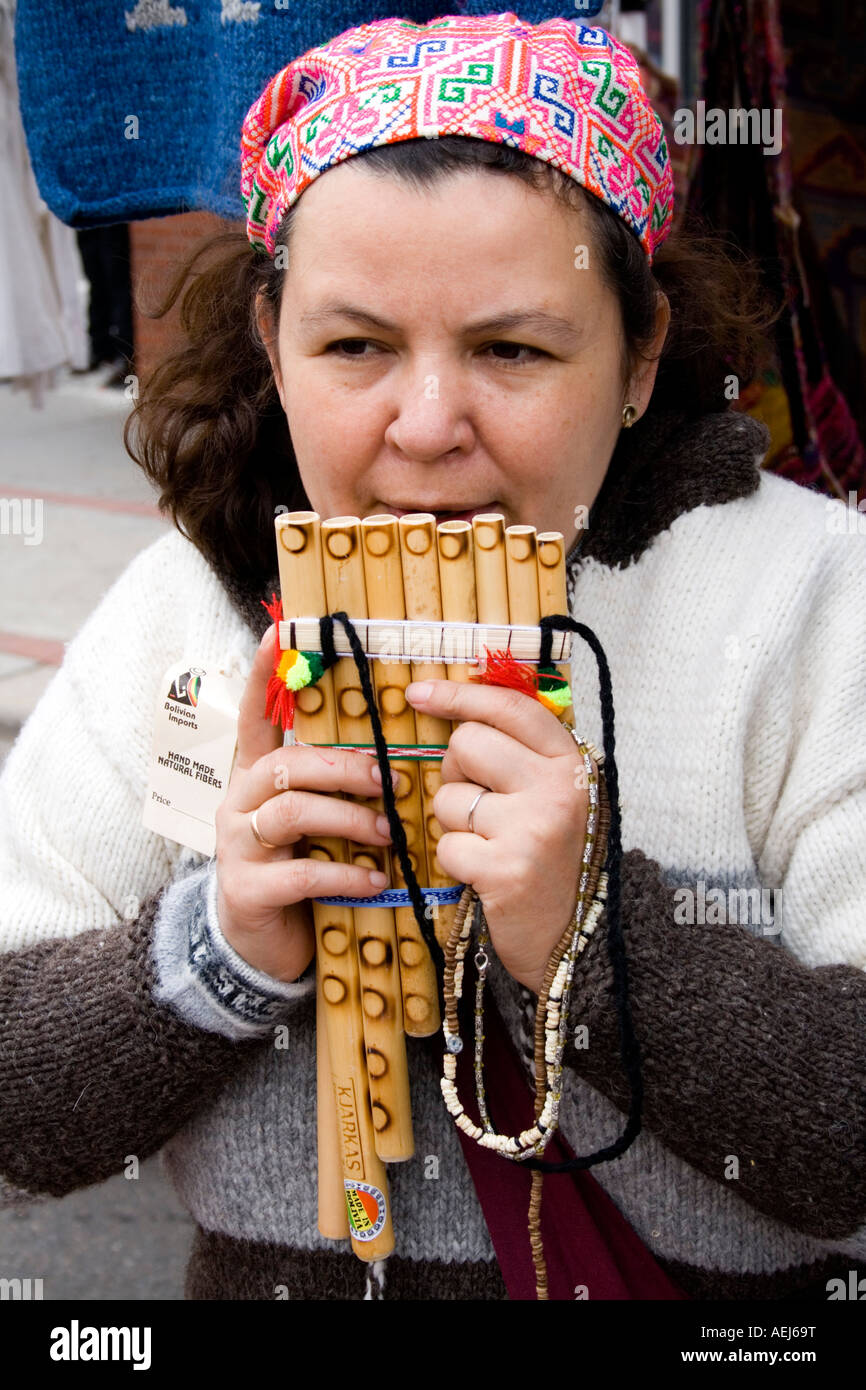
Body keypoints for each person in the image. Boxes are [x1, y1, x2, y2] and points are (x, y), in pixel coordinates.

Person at [0, 11, 864, 1302]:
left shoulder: (810, 595)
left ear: (635, 357)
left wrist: (592, 934)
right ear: (272, 345)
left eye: (511, 349)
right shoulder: (185, 609)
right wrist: (219, 945)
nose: (424, 426)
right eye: (354, 347)